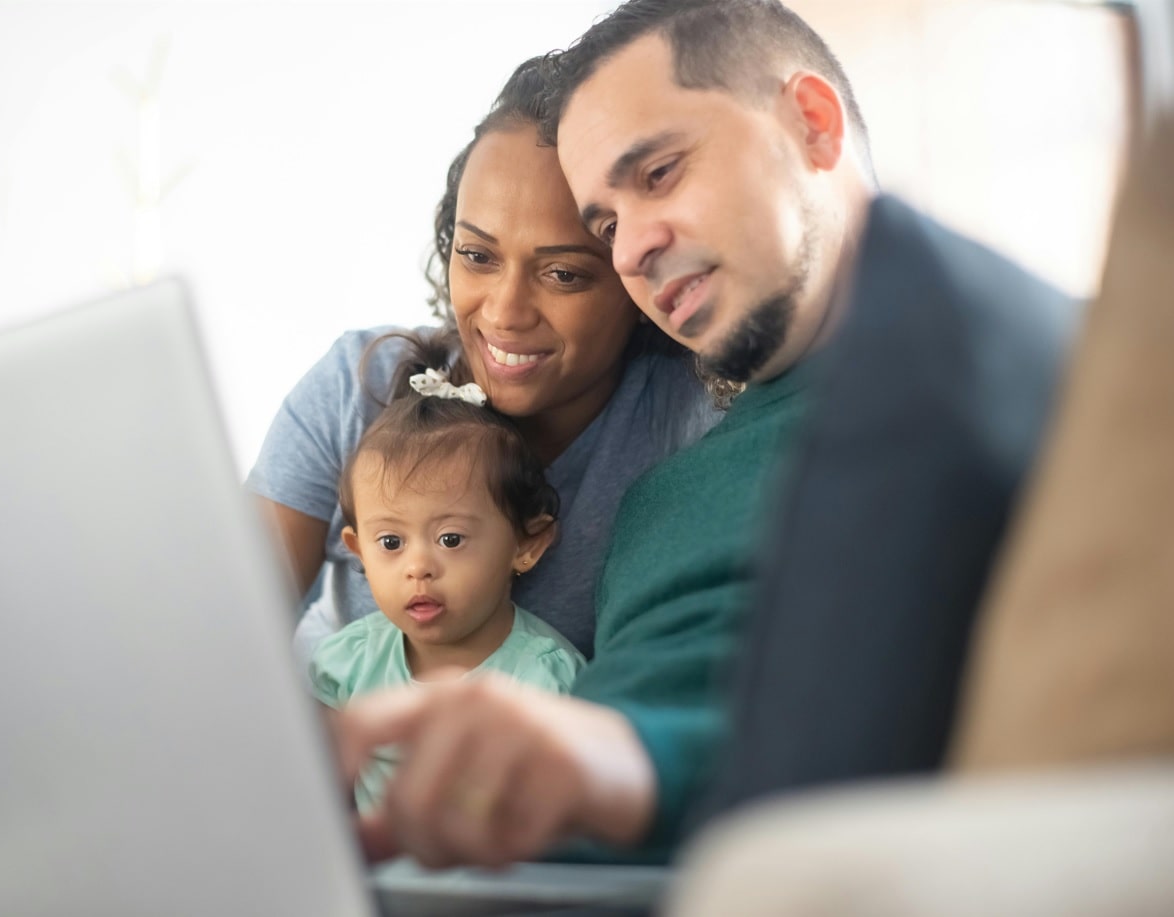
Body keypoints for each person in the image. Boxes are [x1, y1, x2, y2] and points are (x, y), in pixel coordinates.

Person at [335, 0, 878, 869]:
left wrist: (606, 764)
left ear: (811, 124)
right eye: (609, 224)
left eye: (660, 172)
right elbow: (654, 706)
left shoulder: (955, 374)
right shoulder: (670, 496)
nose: (635, 250)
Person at [246, 56, 723, 664]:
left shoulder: (690, 427)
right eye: (477, 256)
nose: (504, 312)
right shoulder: (354, 388)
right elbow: (221, 635)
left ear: (639, 276)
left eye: (563, 273)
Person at [310, 330, 586, 812]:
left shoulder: (545, 679)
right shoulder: (347, 664)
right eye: (391, 543)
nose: (418, 568)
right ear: (358, 550)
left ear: (526, 544)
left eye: (451, 540)